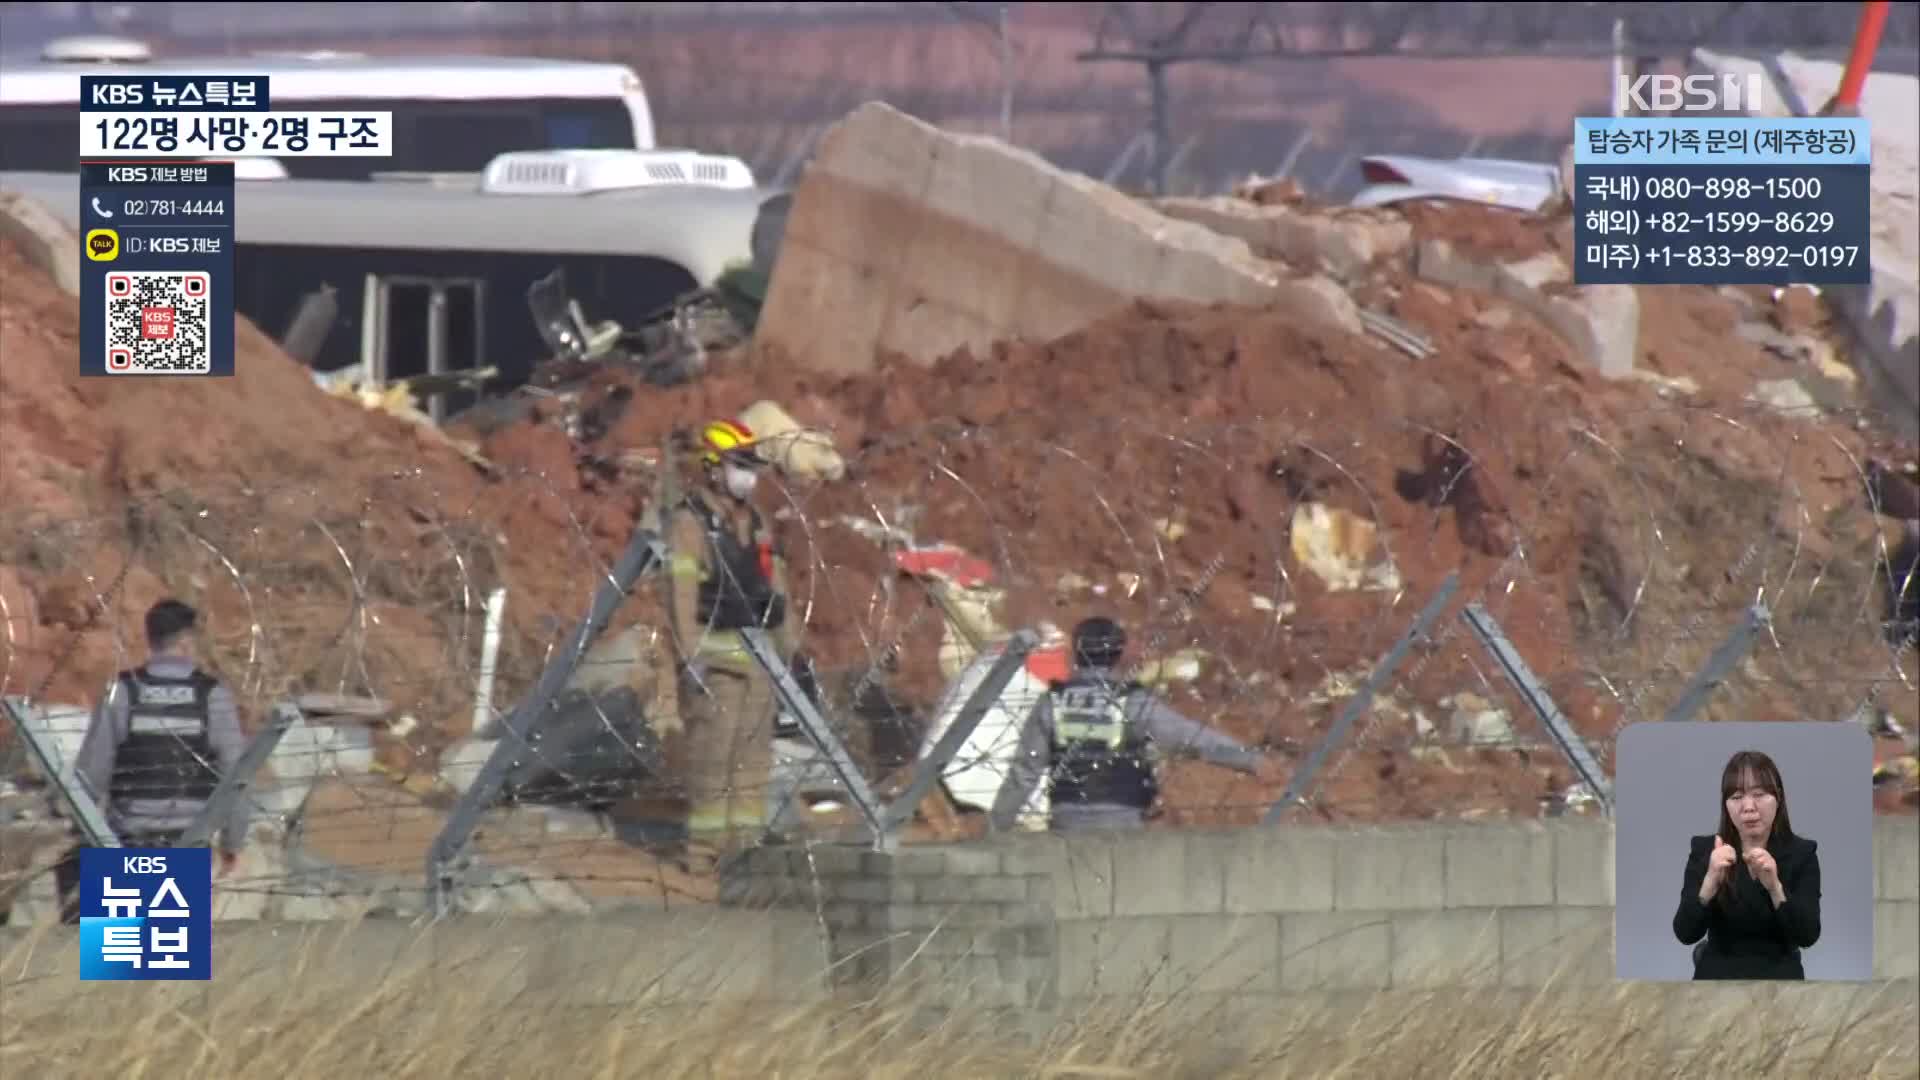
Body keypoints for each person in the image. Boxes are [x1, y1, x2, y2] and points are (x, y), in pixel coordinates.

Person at [53, 598, 250, 923]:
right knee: (171, 961)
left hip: (126, 844)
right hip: (188, 846)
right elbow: (236, 775)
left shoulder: (124, 692)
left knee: (117, 962)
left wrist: (82, 829)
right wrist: (233, 841)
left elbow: (91, 774)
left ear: (150, 639)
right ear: (187, 641)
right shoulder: (211, 695)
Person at [989, 616, 1274, 833]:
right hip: (1122, 819)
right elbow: (1191, 737)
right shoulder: (1132, 702)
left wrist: (996, 829)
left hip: (1068, 819)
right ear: (1119, 653)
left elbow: (1025, 772)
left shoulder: (1053, 703)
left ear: (1076, 652)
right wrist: (1250, 759)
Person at [661, 418, 796, 850]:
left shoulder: (755, 521)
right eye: (740, 464)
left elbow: (777, 585)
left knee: (753, 759)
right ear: (713, 466)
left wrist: (789, 649)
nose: (748, 475)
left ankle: (746, 846)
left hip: (759, 659)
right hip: (715, 661)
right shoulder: (690, 523)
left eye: (751, 466)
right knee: (713, 757)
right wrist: (691, 658)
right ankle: (706, 852)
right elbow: (681, 597)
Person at [1671, 748, 1821, 980]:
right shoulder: (1706, 851)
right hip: (1716, 981)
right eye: (1736, 797)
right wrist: (1710, 882)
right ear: (1726, 804)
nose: (1748, 807)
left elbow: (1808, 935)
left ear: (1778, 798)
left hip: (1781, 982)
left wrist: (1775, 888)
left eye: (1759, 794)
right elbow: (1685, 933)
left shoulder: (1802, 853)